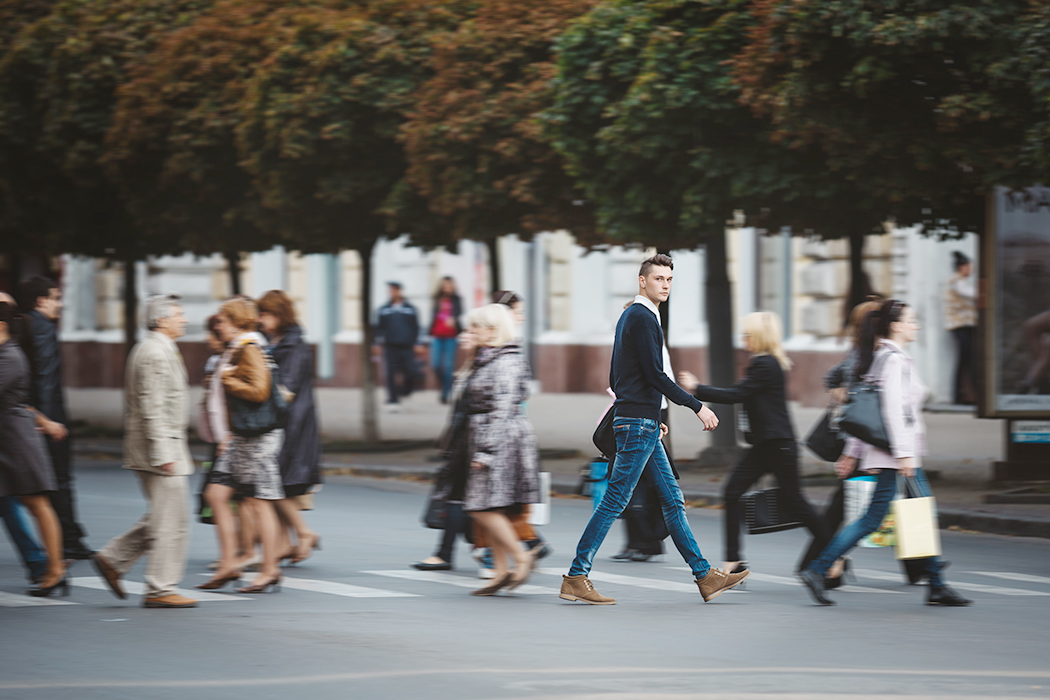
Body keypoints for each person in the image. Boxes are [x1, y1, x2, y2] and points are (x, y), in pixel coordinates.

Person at [560, 254, 747, 605]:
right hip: (637, 424)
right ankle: (576, 575)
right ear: (642, 281)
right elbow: (656, 376)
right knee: (615, 500)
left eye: (669, 279)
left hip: (642, 422)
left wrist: (649, 412)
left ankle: (705, 575)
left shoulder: (632, 316)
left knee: (673, 500)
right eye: (658, 278)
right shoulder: (643, 317)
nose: (665, 285)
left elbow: (620, 376)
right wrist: (697, 406)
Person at [798, 299, 972, 607]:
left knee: (899, 516)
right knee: (898, 517)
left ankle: (935, 584)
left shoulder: (882, 357)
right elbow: (889, 411)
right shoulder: (893, 361)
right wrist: (903, 455)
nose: (916, 325)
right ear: (896, 326)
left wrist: (854, 452)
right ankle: (819, 569)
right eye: (911, 320)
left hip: (894, 452)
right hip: (897, 454)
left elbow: (868, 413)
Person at [680, 311, 829, 577]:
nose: (743, 339)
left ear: (759, 336)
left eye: (747, 334)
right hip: (764, 446)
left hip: (778, 446)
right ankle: (733, 561)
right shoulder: (763, 363)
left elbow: (736, 394)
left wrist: (697, 388)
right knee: (732, 493)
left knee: (796, 502)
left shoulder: (766, 365)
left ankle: (834, 555)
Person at [90, 295, 198, 609]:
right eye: (179, 314)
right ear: (161, 320)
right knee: (171, 522)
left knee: (165, 517)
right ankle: (160, 588)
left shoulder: (158, 348)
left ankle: (112, 560)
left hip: (163, 448)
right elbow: (152, 408)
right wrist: (164, 453)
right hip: (160, 451)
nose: (184, 319)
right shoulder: (154, 352)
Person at [198, 298, 285, 594]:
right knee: (216, 494)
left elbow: (259, 391)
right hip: (238, 438)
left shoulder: (249, 348)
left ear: (236, 321)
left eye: (222, 321)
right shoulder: (237, 347)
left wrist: (228, 379)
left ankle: (270, 569)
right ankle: (228, 563)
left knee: (259, 502)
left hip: (257, 438)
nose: (218, 326)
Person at [798, 297, 882, 584]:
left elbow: (833, 379)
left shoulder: (870, 353)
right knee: (846, 508)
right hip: (867, 443)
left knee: (893, 501)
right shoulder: (865, 356)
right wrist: (845, 396)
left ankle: (921, 566)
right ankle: (818, 565)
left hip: (871, 443)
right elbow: (836, 382)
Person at [461, 304, 541, 595]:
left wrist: (486, 451)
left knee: (479, 506)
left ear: (493, 330)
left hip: (501, 442)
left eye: (476, 327)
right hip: (491, 438)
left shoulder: (507, 361)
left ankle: (522, 556)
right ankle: (499, 570)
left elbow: (503, 409)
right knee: (492, 506)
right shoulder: (488, 357)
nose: (470, 332)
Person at [19, 275, 93, 560]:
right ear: (42, 301)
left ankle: (64, 539)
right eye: (56, 298)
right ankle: (69, 541)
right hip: (46, 417)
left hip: (27, 415)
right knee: (60, 481)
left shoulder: (23, 324)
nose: (60, 304)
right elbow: (45, 378)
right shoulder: (43, 328)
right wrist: (49, 422)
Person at [0, 299, 67, 597]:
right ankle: (46, 566)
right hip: (8, 437)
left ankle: (54, 569)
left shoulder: (10, 357)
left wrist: (45, 422)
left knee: (37, 504)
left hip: (15, 440)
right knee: (30, 505)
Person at [257, 290, 322, 564]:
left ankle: (303, 532)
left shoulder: (293, 345)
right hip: (283, 421)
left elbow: (287, 390)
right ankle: (284, 542)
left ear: (279, 314)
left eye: (265, 314)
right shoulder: (277, 341)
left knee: (273, 482)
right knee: (276, 482)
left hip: (292, 423)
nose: (260, 320)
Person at [412, 326, 480, 572]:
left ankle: (526, 544)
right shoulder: (472, 364)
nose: (463, 335)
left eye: (471, 330)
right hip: (464, 443)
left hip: (472, 445)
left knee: (460, 498)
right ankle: (526, 544)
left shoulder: (486, 365)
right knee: (460, 498)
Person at [373, 282, 424, 411]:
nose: (392, 293)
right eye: (390, 290)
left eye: (395, 290)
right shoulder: (384, 309)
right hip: (390, 346)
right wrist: (376, 344)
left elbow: (416, 327)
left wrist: (418, 343)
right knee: (390, 373)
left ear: (400, 291)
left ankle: (405, 391)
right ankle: (393, 400)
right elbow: (379, 328)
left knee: (411, 371)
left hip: (407, 346)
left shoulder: (410, 308)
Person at [945, 252, 976, 405]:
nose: (971, 270)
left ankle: (964, 394)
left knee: (966, 360)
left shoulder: (960, 281)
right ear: (961, 267)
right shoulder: (957, 281)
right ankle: (963, 394)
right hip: (960, 325)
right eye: (969, 266)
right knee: (966, 360)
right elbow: (973, 295)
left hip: (964, 325)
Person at [429, 277, 463, 404]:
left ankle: (446, 393)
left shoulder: (457, 299)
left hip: (451, 336)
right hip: (437, 336)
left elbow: (459, 312)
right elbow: (432, 316)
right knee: (435, 365)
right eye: (445, 285)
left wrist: (454, 318)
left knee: (448, 366)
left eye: (449, 285)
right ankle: (444, 385)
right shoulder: (437, 298)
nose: (447, 288)